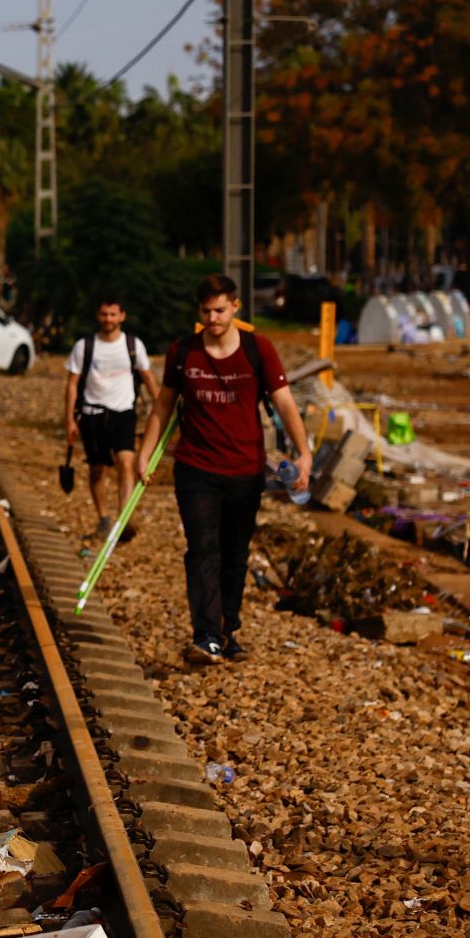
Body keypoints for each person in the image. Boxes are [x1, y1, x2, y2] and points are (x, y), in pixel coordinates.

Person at [136, 274, 311, 667]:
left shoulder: (257, 349)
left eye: (219, 310)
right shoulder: (183, 351)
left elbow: (284, 403)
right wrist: (144, 453)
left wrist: (304, 454)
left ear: (235, 307)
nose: (212, 318)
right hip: (196, 467)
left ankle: (228, 628)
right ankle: (206, 635)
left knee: (235, 553)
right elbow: (163, 406)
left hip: (244, 469)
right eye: (205, 311)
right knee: (202, 550)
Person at [63, 297, 159, 539]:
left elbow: (147, 378)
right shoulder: (84, 346)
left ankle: (123, 518)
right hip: (92, 414)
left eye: (113, 314)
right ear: (98, 316)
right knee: (97, 470)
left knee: (126, 462)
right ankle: (104, 518)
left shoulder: (132, 345)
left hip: (124, 412)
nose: (109, 319)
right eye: (104, 314)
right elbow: (72, 384)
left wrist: (162, 408)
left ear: (122, 316)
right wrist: (69, 419)